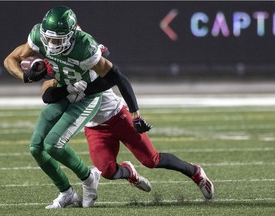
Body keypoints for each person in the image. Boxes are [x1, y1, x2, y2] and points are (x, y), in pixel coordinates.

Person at [3, 5, 152, 209]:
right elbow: (9, 59)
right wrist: (26, 77)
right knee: (36, 147)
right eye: (49, 38)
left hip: (86, 97)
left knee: (53, 144)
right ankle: (67, 193)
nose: (52, 44)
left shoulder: (84, 46)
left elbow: (116, 76)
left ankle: (89, 177)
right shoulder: (39, 35)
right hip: (65, 91)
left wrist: (135, 114)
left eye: (58, 39)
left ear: (71, 35)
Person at [41, 54, 215, 200]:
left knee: (151, 160)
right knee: (106, 171)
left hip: (118, 115)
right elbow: (47, 95)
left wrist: (135, 115)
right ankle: (129, 172)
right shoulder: (58, 66)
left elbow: (118, 78)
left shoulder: (88, 59)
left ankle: (195, 173)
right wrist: (66, 88)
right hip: (94, 127)